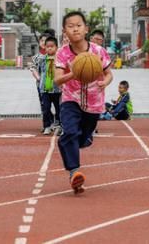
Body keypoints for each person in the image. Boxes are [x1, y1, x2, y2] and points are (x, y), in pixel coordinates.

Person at [54, 11, 113, 194]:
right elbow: (57, 80)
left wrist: (105, 82)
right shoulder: (62, 53)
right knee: (69, 132)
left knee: (81, 138)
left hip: (94, 103)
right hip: (71, 100)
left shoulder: (98, 51)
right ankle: (74, 172)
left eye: (78, 25)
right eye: (70, 26)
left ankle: (83, 138)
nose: (75, 29)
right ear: (65, 31)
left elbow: (109, 73)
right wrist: (73, 73)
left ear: (86, 29)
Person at [39, 36, 62, 135]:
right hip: (45, 89)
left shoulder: (59, 59)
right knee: (46, 109)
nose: (49, 48)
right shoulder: (42, 59)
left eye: (52, 46)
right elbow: (40, 71)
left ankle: (61, 126)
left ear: (56, 47)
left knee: (59, 109)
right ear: (45, 47)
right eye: (47, 46)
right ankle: (47, 126)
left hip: (57, 89)